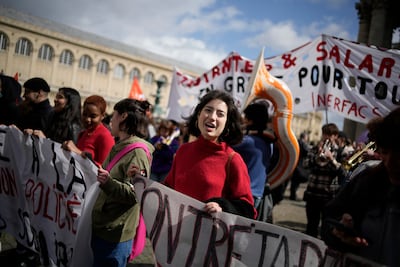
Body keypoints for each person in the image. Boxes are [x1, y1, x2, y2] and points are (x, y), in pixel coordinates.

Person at [322, 107, 400, 266]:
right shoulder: (367, 179)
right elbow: (330, 220)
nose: (390, 163)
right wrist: (340, 232)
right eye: (384, 152)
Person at [164, 90, 256, 219]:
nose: (212, 117)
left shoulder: (233, 160)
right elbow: (167, 189)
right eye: (208, 110)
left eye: (220, 114)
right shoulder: (183, 151)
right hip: (173, 234)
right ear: (198, 114)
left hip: (210, 236)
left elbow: (248, 209)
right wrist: (140, 180)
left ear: (227, 123)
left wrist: (222, 207)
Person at [92, 98, 154, 267]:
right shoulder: (119, 145)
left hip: (116, 234)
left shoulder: (138, 153)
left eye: (114, 115)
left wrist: (108, 182)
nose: (111, 120)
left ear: (123, 117)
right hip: (103, 226)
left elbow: (135, 194)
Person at [232, 101, 274, 221]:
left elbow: (223, 145)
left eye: (245, 118)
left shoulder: (248, 142)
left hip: (244, 194)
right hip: (257, 194)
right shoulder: (268, 142)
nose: (243, 120)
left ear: (250, 120)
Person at [303, 123, 344, 237]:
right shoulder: (315, 149)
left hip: (329, 196)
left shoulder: (340, 152)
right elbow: (305, 165)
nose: (326, 137)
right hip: (313, 193)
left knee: (327, 229)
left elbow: (342, 172)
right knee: (311, 227)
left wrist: (331, 159)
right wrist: (317, 156)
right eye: (325, 134)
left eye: (329, 134)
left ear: (335, 136)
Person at [63, 95, 114, 166]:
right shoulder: (83, 133)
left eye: (93, 116)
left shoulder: (105, 137)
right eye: (85, 114)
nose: (87, 119)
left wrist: (78, 152)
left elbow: (104, 169)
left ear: (102, 116)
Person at [289, 131, 311, 201]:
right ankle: (293, 195)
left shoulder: (296, 141)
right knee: (296, 181)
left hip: (294, 163)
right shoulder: (302, 143)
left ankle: (292, 194)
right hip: (299, 164)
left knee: (294, 181)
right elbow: (307, 152)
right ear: (305, 137)